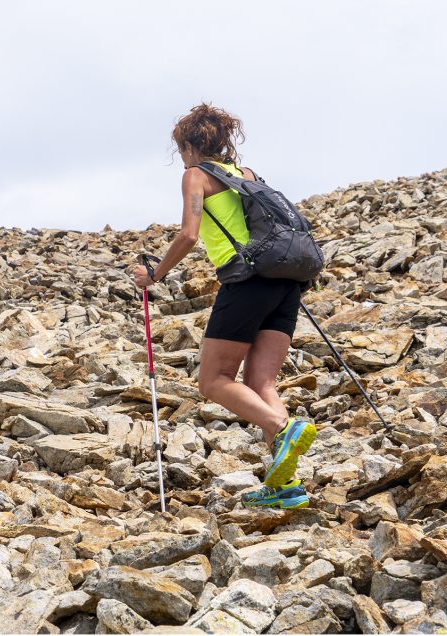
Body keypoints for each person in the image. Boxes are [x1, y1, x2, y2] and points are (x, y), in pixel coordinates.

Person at [131, 103, 317, 510]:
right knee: (261, 383)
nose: (181, 157)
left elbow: (188, 236)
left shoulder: (195, 175)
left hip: (246, 282)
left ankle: (281, 428)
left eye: (181, 148)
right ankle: (286, 485)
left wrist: (155, 275)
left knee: (213, 380)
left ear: (192, 145)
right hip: (286, 284)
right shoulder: (248, 176)